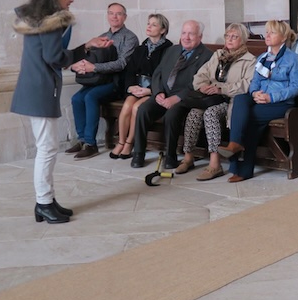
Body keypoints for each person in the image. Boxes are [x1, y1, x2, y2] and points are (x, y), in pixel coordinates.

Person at [11, 0, 105, 224]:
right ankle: (43, 202)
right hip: (40, 90)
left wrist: (86, 45)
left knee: (47, 147)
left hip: (35, 88)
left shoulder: (38, 20)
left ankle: (47, 200)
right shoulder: (51, 22)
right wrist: (81, 51)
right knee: (47, 148)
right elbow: (55, 57)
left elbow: (50, 54)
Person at [217, 20, 298, 182]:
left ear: (283, 37)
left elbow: (295, 88)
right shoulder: (263, 57)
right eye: (267, 32)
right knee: (240, 98)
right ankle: (235, 145)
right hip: (260, 98)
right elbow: (255, 81)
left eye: (272, 32)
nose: (268, 35)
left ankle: (240, 166)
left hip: (281, 104)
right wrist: (255, 93)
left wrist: (270, 97)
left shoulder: (293, 59)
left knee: (249, 118)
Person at [175, 23, 257, 181]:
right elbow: (200, 75)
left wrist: (221, 89)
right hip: (209, 98)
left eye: (234, 37)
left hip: (230, 101)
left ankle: (214, 164)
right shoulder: (218, 55)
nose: (230, 39)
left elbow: (247, 85)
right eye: (227, 36)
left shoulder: (249, 60)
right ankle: (188, 157)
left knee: (211, 114)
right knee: (194, 113)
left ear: (243, 40)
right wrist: (204, 86)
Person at [129, 20, 211, 169]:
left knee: (172, 115)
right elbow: (158, 73)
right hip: (163, 94)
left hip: (186, 99)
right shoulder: (172, 50)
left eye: (191, 34)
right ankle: (138, 153)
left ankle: (170, 156)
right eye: (184, 33)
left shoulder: (207, 56)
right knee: (143, 110)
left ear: (200, 36)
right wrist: (158, 91)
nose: (186, 37)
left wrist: (177, 98)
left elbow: (199, 83)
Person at [65, 3, 138, 160]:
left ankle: (91, 144)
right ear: (107, 15)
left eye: (118, 14)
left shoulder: (130, 38)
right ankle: (83, 139)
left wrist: (93, 67)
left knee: (90, 97)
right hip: (98, 80)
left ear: (125, 17)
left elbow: (121, 64)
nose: (114, 16)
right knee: (76, 98)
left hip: (117, 82)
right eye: (111, 13)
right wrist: (79, 66)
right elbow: (90, 57)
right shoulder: (102, 35)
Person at [108, 13, 173, 160]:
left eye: (154, 24)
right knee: (126, 107)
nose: (149, 27)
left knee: (137, 108)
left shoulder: (168, 49)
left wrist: (150, 90)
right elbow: (130, 70)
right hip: (138, 88)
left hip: (154, 90)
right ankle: (121, 141)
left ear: (163, 30)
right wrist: (131, 87)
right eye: (148, 23)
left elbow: (166, 75)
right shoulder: (141, 48)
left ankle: (130, 142)